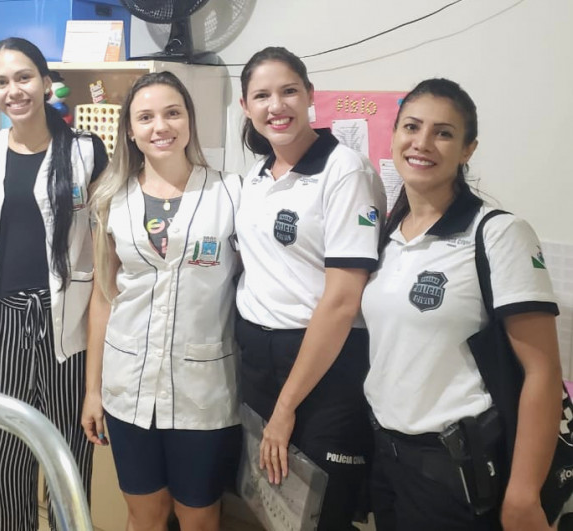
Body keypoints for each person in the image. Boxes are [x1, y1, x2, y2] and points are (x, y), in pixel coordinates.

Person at [362, 78, 561, 531]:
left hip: (456, 468)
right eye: (411, 127)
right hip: (388, 456)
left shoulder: (497, 233)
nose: (423, 143)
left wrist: (524, 494)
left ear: (468, 149)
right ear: (394, 136)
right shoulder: (387, 236)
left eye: (444, 133)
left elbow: (543, 371)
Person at [81, 71, 241, 531]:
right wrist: (93, 391)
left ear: (189, 120)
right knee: (144, 514)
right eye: (145, 117)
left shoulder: (230, 192)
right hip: (128, 387)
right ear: (129, 130)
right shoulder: (111, 198)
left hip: (204, 391)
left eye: (173, 113)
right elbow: (102, 299)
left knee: (198, 516)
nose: (160, 126)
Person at [235, 46, 385, 530]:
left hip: (323, 363)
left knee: (323, 512)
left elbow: (342, 301)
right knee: (274, 503)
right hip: (259, 358)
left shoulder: (346, 171)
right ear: (245, 107)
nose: (276, 106)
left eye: (288, 91)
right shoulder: (256, 179)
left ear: (309, 96)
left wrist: (285, 409)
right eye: (262, 95)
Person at [0, 37, 108, 531]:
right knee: (7, 454)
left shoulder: (87, 151)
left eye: (25, 77)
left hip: (66, 324)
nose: (15, 90)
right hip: (5, 319)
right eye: (2, 81)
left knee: (68, 456)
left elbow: (106, 240)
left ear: (46, 82)